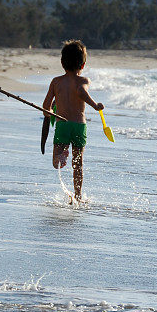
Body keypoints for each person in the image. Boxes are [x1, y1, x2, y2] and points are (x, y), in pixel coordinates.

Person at [42, 40, 105, 202]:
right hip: (79, 126)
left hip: (62, 124)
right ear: (83, 65)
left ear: (62, 63)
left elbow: (45, 106)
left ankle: (60, 157)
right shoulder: (83, 81)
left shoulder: (56, 82)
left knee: (55, 163)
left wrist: (49, 113)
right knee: (78, 164)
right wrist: (95, 105)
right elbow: (81, 92)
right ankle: (78, 195)